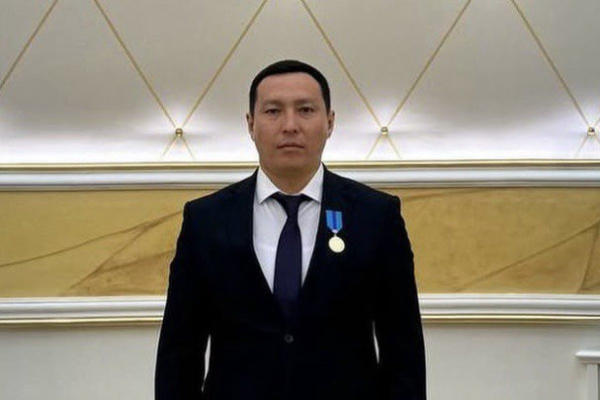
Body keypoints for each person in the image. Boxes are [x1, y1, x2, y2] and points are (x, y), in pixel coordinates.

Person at [155, 60, 426, 400]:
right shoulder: (206, 220)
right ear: (250, 124)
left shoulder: (376, 216)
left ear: (330, 122)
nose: (290, 125)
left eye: (306, 110)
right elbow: (180, 352)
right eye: (273, 111)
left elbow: (403, 350)